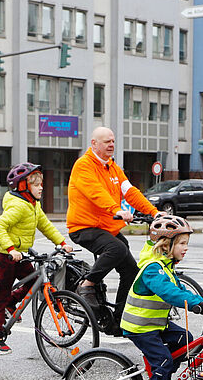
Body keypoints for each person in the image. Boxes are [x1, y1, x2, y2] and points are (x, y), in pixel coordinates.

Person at [121, 214, 203, 380]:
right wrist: (196, 306)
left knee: (186, 340)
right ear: (165, 245)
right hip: (140, 326)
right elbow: (170, 293)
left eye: (186, 243)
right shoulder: (153, 269)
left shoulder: (166, 266)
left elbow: (180, 289)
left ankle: (160, 375)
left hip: (155, 323)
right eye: (181, 243)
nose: (185, 248)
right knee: (162, 360)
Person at [66, 126, 159, 330]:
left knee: (130, 270)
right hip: (83, 227)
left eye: (113, 141)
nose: (111, 145)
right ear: (94, 144)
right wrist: (117, 209)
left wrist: (154, 213)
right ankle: (87, 285)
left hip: (107, 227)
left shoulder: (113, 167)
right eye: (107, 141)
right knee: (116, 249)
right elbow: (96, 192)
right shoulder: (84, 165)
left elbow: (130, 192)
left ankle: (118, 320)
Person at [0, 162, 72, 354]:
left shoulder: (33, 205)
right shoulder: (18, 206)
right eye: (36, 184)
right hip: (4, 255)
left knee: (34, 281)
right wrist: (10, 249)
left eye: (41, 184)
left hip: (19, 255)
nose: (41, 187)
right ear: (24, 187)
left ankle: (11, 301)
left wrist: (61, 243)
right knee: (0, 294)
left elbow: (45, 225)